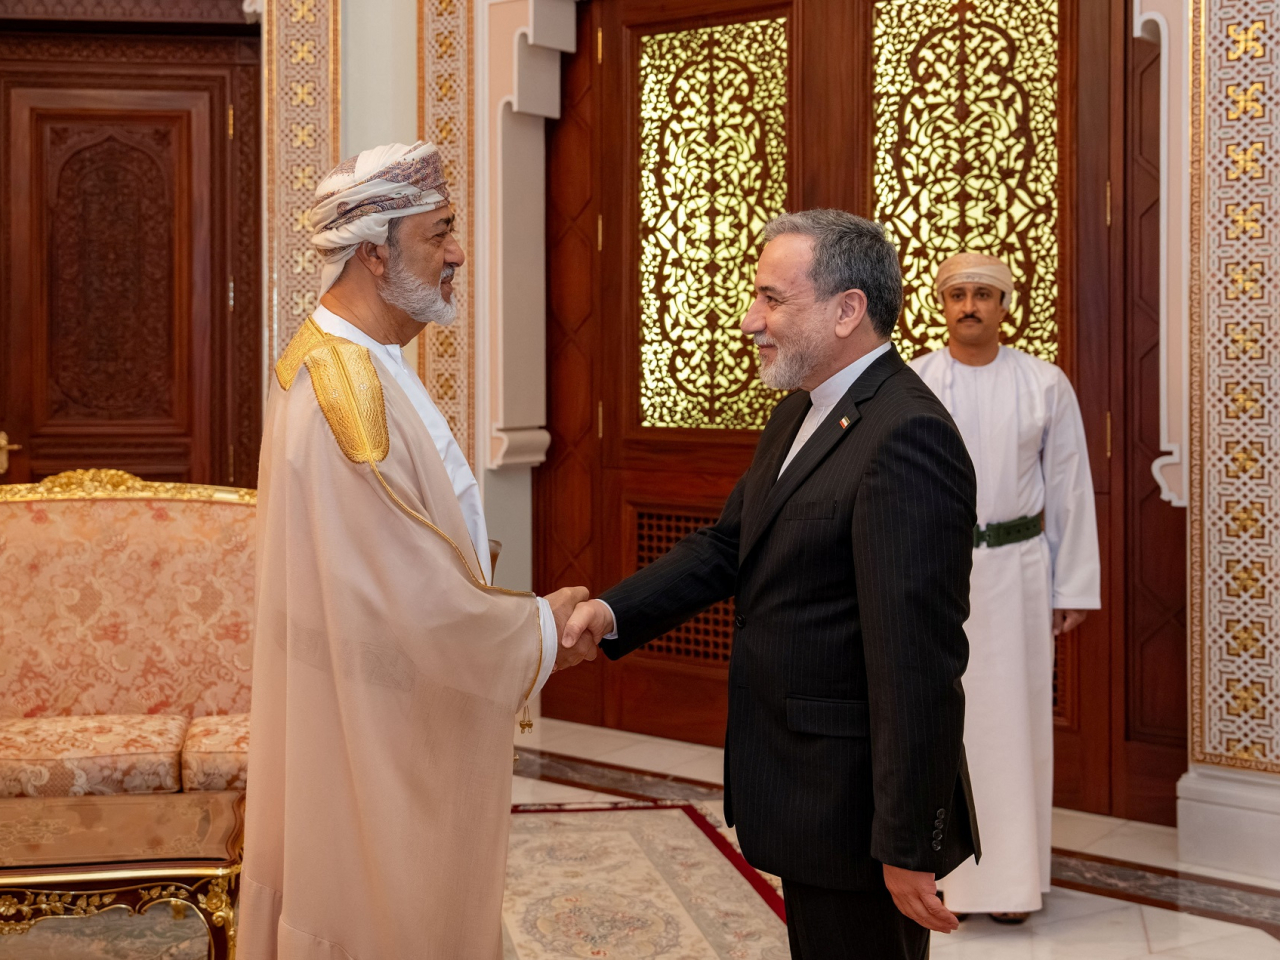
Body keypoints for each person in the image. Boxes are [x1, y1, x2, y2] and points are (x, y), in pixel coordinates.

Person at [561, 210, 980, 960]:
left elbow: (917, 663)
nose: (750, 320)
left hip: (856, 810)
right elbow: (731, 546)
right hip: (805, 793)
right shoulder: (803, 411)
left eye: (772, 299)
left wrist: (907, 842)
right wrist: (611, 611)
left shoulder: (906, 433)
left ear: (848, 310)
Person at [239, 141, 591, 960]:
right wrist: (542, 630)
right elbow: (411, 596)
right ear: (374, 252)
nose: (458, 252)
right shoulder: (345, 389)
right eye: (439, 234)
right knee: (386, 908)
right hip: (380, 719)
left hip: (376, 696)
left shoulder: (352, 357)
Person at [909, 251, 1101, 922]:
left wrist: (1071, 586)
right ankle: (943, 879)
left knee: (1014, 725)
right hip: (936, 574)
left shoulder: (1044, 384)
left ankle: (1013, 884)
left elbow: (1071, 488)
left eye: (983, 294)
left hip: (1019, 573)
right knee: (940, 722)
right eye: (958, 293)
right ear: (942, 303)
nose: (970, 305)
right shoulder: (913, 382)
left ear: (1005, 305)